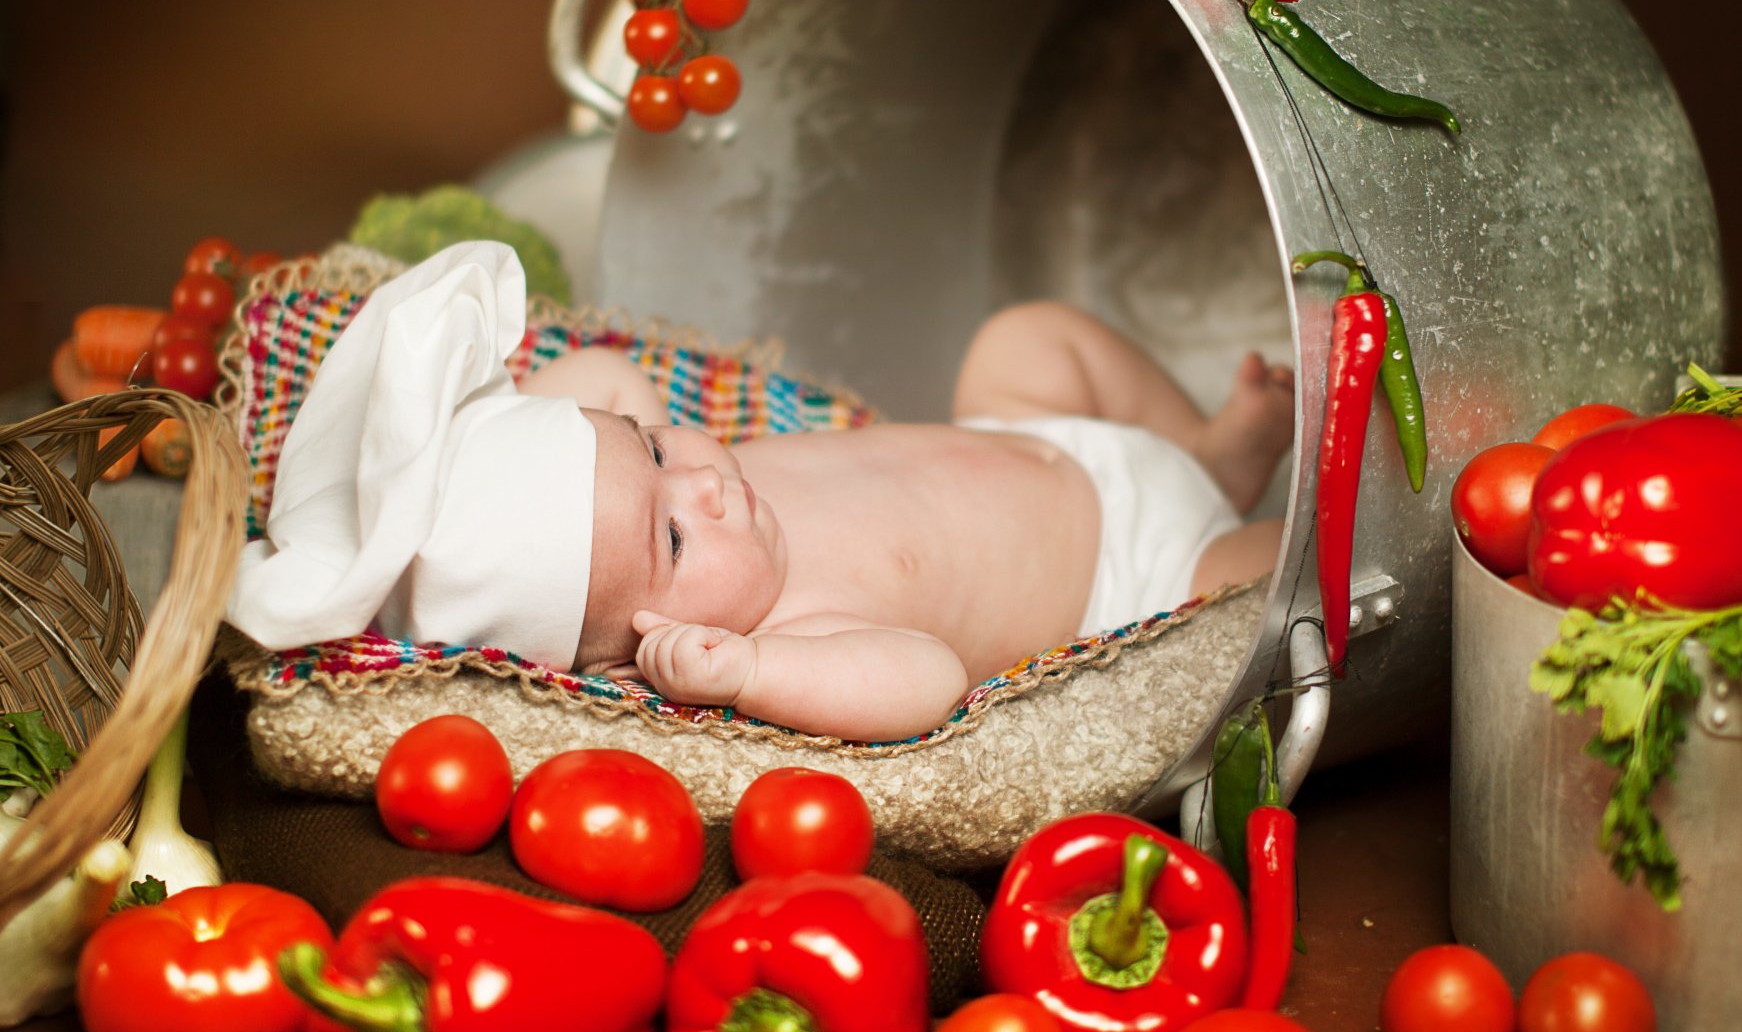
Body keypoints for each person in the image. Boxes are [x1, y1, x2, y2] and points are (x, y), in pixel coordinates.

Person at [226, 243, 1291, 741]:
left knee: (1025, 339)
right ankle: (1233, 504)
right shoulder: (785, 625)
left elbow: (600, 385)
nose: (709, 486)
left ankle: (1207, 454)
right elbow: (924, 681)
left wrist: (529, 440)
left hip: (1040, 433)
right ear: (647, 644)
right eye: (677, 541)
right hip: (1140, 574)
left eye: (655, 449)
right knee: (1284, 577)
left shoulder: (685, 493)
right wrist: (748, 671)